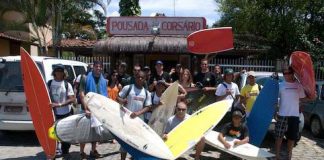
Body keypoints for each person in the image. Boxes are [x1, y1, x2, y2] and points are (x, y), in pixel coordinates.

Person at [275, 67, 310, 160]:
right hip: (282, 114)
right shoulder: (280, 85)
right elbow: (274, 100)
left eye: (289, 73)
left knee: (291, 137)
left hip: (294, 115)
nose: (287, 75)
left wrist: (312, 97)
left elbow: (302, 98)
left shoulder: (298, 85)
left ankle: (289, 155)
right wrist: (275, 111)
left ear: (292, 73)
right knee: (279, 136)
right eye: (285, 73)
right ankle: (277, 155)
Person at [117, 71, 152, 160]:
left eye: (142, 77)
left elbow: (148, 107)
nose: (140, 79)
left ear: (145, 79)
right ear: (135, 78)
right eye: (138, 77)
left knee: (138, 142)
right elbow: (117, 97)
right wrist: (122, 100)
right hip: (126, 120)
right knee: (124, 141)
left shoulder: (147, 92)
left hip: (139, 121)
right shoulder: (128, 88)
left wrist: (138, 113)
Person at [79, 60, 108, 159]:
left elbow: (104, 97)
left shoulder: (104, 80)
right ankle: (82, 152)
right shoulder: (85, 78)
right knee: (84, 132)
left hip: (97, 111)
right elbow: (82, 94)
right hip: (86, 110)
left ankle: (93, 150)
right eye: (97, 66)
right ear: (93, 67)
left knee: (95, 132)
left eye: (100, 67)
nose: (98, 68)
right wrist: (86, 108)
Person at [48, 64, 75, 159]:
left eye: (61, 71)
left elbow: (72, 99)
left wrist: (59, 104)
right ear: (54, 72)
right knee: (53, 133)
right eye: (57, 70)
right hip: (53, 114)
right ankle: (54, 150)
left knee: (65, 133)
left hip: (65, 113)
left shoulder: (67, 84)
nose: (59, 72)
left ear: (64, 73)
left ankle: (65, 151)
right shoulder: (49, 83)